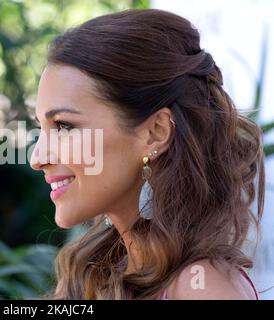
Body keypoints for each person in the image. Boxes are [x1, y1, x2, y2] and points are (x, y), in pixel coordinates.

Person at [29, 8, 264, 300]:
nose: (37, 158)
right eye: (41, 127)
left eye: (64, 125)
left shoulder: (203, 288)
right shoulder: (95, 275)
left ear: (156, 133)